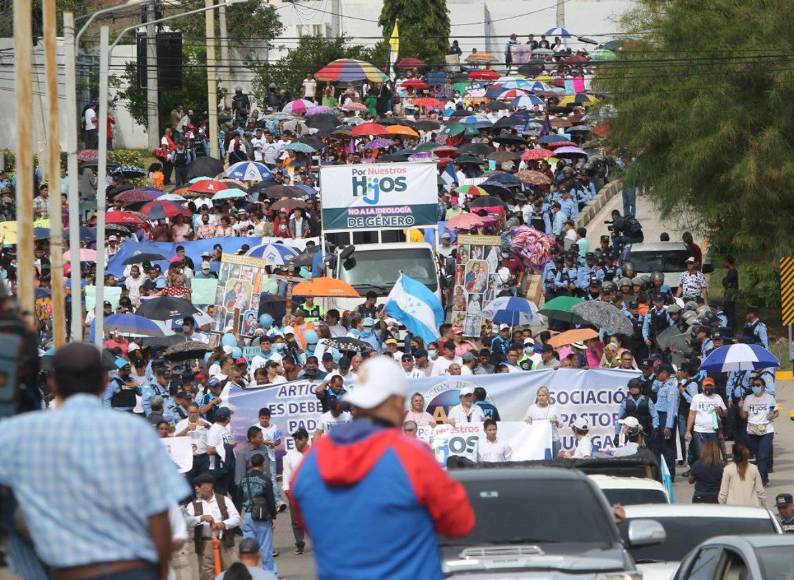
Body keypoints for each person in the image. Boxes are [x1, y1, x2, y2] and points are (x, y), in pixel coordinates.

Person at [0, 343, 189, 579]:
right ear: (103, 381)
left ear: (52, 382)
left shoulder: (18, 434)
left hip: (72, 572)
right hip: (135, 569)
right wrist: (160, 573)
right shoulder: (137, 433)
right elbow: (159, 514)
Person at [291, 356, 474, 579]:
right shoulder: (412, 456)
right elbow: (460, 523)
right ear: (396, 402)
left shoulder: (309, 464)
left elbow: (307, 524)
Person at [186, 473, 242, 580]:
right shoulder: (192, 505)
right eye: (195, 487)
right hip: (204, 545)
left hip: (224, 541)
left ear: (209, 486)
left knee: (232, 572)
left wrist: (223, 524)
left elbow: (237, 518)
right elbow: (186, 522)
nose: (196, 489)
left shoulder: (224, 500)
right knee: (207, 574)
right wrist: (201, 518)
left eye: (199, 486)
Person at [238, 453, 278, 577]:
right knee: (266, 549)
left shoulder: (244, 479)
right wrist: (273, 516)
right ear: (263, 464)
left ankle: (249, 575)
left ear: (251, 464)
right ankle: (270, 575)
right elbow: (270, 500)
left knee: (248, 549)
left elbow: (239, 498)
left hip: (248, 516)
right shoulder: (265, 480)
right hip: (262, 516)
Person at [740, 375, 777, 486]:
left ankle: (760, 481)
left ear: (763, 387)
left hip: (766, 430)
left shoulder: (769, 398)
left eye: (758, 385)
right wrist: (741, 407)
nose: (755, 387)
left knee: (762, 456)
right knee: (759, 456)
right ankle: (764, 478)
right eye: (753, 385)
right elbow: (743, 416)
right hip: (752, 431)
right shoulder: (748, 398)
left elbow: (776, 412)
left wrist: (772, 415)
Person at [685, 376, 726, 470]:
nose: (708, 388)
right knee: (701, 454)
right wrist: (688, 430)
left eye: (710, 386)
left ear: (714, 387)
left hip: (713, 431)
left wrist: (719, 410)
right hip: (699, 430)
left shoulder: (717, 397)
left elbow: (725, 413)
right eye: (706, 386)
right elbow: (692, 414)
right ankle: (704, 474)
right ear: (702, 387)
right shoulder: (697, 398)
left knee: (714, 455)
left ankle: (714, 473)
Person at [281, 428, 311, 555]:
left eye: (300, 438)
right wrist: (287, 491)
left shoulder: (315, 452)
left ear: (306, 439)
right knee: (296, 521)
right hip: (297, 493)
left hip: (313, 492)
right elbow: (286, 474)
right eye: (295, 439)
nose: (297, 441)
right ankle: (300, 543)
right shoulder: (289, 456)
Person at [524, 385, 561, 457]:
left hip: (554, 440)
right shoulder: (531, 408)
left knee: (555, 463)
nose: (541, 397)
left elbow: (561, 424)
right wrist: (527, 420)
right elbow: (525, 424)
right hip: (537, 440)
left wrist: (556, 421)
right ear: (537, 396)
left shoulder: (554, 408)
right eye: (539, 395)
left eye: (543, 395)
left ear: (547, 396)